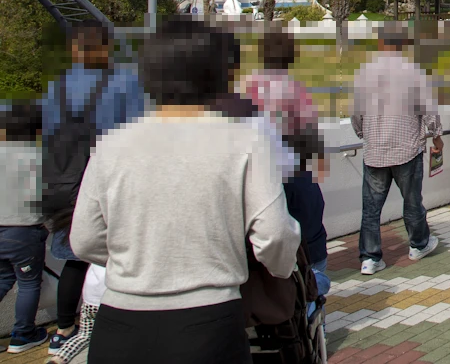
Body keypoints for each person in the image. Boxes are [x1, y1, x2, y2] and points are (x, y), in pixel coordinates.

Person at [69, 19, 301, 364]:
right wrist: (282, 269)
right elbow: (275, 235)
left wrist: (145, 262)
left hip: (120, 321)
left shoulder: (112, 145)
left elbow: (84, 239)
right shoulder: (245, 141)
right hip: (209, 321)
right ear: (220, 73)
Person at [40, 22, 147, 355]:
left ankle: (63, 331)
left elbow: (48, 137)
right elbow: (140, 133)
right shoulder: (125, 83)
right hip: (109, 181)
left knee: (75, 257)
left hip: (64, 183)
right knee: (115, 254)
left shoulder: (57, 87)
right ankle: (112, 324)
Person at [240, 29, 331, 307]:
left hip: (255, 177)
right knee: (309, 239)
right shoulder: (294, 89)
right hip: (294, 173)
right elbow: (309, 135)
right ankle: (311, 301)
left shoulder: (246, 86)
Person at [352, 24, 443, 275]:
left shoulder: (365, 73)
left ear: (380, 44)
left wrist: (364, 134)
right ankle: (418, 244)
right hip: (407, 148)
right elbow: (428, 109)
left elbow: (356, 113)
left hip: (375, 150)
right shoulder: (413, 72)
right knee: (412, 201)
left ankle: (370, 258)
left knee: (371, 208)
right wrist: (436, 136)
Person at [0, 101, 47, 354]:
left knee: (2, 278)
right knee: (28, 282)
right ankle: (22, 335)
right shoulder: (37, 156)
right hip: (23, 230)